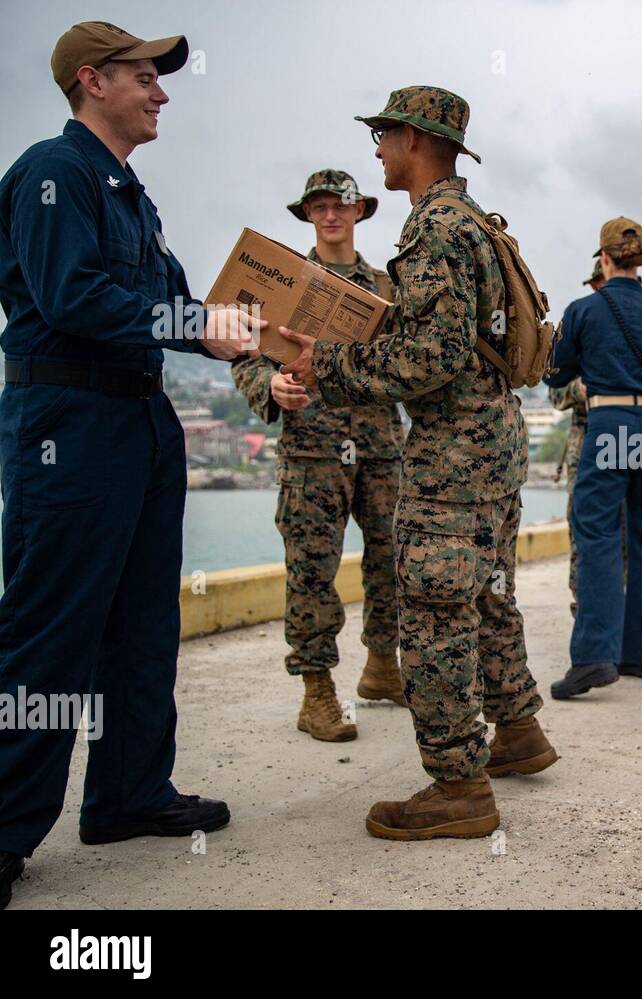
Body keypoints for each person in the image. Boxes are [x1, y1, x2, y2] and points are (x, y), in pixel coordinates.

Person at [0, 20, 264, 907]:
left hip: (140, 419)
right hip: (69, 421)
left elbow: (176, 306)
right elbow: (72, 297)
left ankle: (127, 791)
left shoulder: (131, 197)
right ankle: (2, 826)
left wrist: (256, 339)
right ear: (92, 81)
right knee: (49, 630)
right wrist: (196, 325)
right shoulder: (54, 171)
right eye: (144, 77)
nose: (160, 93)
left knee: (142, 623)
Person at [281, 85, 554, 841]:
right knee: (490, 593)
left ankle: (457, 784)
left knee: (435, 612)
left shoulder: (434, 229)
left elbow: (431, 357)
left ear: (412, 139)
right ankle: (519, 730)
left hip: (451, 457)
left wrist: (330, 366)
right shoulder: (477, 223)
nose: (376, 151)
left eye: (383, 137)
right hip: (494, 441)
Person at [232, 170, 404, 743]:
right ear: (307, 214)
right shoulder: (283, 284)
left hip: (381, 447)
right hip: (312, 450)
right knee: (312, 572)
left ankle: (383, 668)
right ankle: (316, 692)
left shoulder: (385, 289)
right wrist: (269, 389)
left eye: (342, 205)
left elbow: (409, 360)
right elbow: (246, 353)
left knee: (392, 563)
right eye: (320, 206)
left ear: (361, 213)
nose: (331, 215)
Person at [544, 216, 642, 694]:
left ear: (603, 258)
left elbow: (554, 374)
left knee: (598, 533)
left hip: (611, 422)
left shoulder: (585, 309)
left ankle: (594, 656)